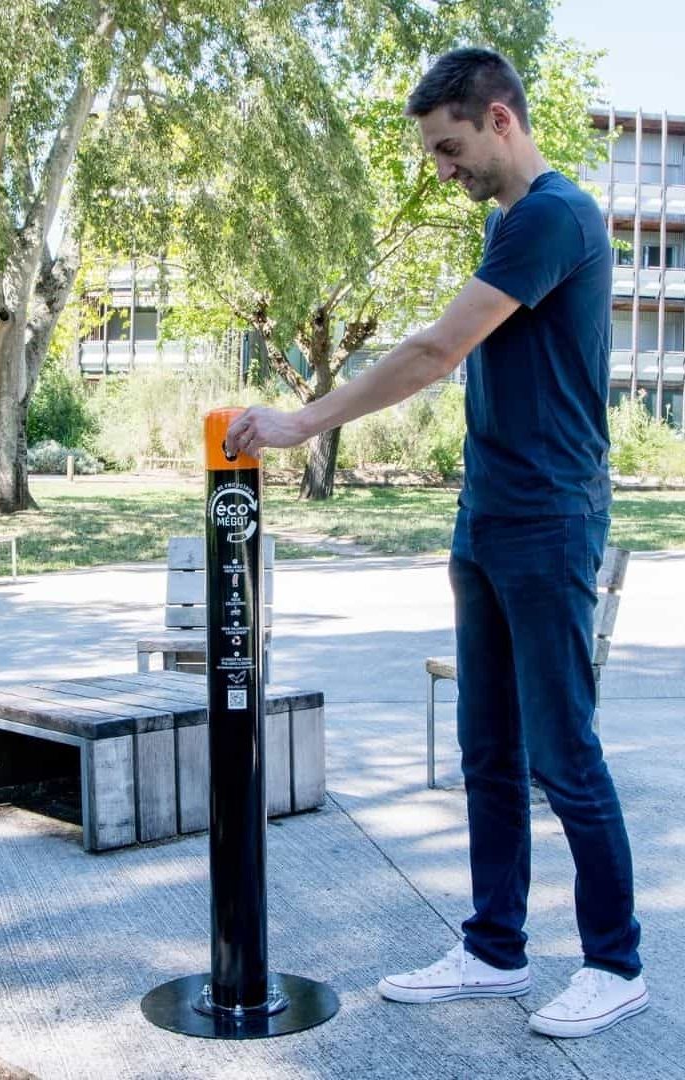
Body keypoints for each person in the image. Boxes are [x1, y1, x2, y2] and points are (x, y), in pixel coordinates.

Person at [226, 46, 647, 1039]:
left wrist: (304, 419)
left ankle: (614, 962)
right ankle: (495, 949)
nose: (442, 169)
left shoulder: (554, 215)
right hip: (492, 514)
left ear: (500, 118)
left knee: (564, 753)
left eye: (450, 147)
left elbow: (433, 349)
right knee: (487, 748)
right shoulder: (512, 225)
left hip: (548, 519)